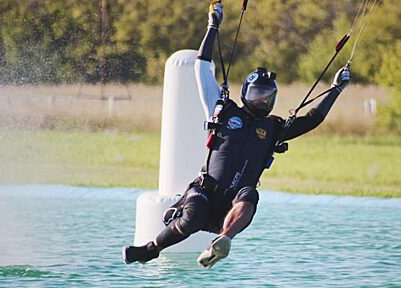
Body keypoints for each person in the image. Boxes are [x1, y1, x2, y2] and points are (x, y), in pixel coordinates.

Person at [123, 1, 350, 268]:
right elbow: (202, 65)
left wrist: (335, 89)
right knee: (192, 217)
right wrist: (213, 26)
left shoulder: (275, 128)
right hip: (206, 192)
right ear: (245, 93)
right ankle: (152, 249)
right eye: (257, 95)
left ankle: (221, 242)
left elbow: (313, 119)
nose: (262, 102)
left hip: (233, 204)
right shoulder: (222, 110)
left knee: (250, 196)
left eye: (267, 98)